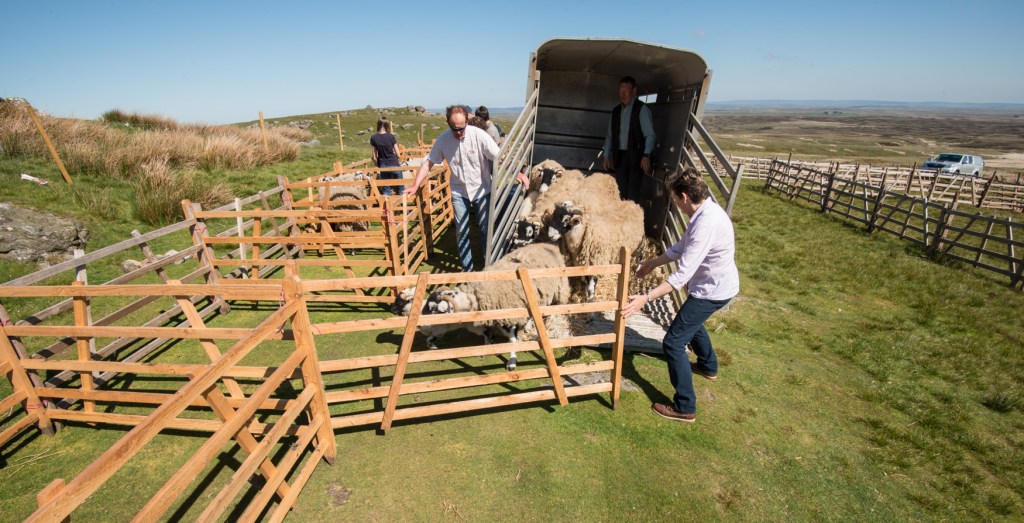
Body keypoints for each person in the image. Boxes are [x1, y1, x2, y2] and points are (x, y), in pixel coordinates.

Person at [622, 167, 739, 424]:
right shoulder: (704, 212)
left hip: (713, 290)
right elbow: (680, 248)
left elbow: (680, 276)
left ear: (685, 197)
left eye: (675, 199)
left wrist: (646, 298)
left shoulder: (706, 223)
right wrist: (653, 262)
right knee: (691, 321)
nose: (675, 204)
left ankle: (685, 406)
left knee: (673, 343)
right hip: (714, 286)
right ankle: (708, 367)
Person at [409, 105, 499, 271]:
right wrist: (415, 184)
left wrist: (517, 175)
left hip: (482, 188)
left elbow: (499, 156)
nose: (458, 132)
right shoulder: (443, 140)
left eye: (461, 128)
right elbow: (429, 162)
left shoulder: (479, 135)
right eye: (454, 128)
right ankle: (468, 269)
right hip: (459, 191)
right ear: (448, 123)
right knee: (462, 231)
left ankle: (489, 266)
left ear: (467, 121)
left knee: (486, 229)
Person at [602, 75, 656, 203]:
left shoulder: (641, 109)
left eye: (626, 90)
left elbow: (650, 134)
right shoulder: (615, 111)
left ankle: (632, 220)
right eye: (621, 91)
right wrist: (605, 155)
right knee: (621, 192)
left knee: (633, 194)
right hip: (620, 157)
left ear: (634, 90)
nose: (623, 94)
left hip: (637, 157)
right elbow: (610, 135)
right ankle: (622, 220)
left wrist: (646, 155)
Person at [370, 116, 403, 196]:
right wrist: (396, 157)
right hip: (395, 165)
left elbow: (374, 157)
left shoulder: (374, 138)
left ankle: (386, 207)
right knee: (401, 189)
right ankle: (405, 207)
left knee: (386, 192)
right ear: (387, 125)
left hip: (383, 166)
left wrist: (377, 165)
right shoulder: (391, 137)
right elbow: (398, 154)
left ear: (378, 125)